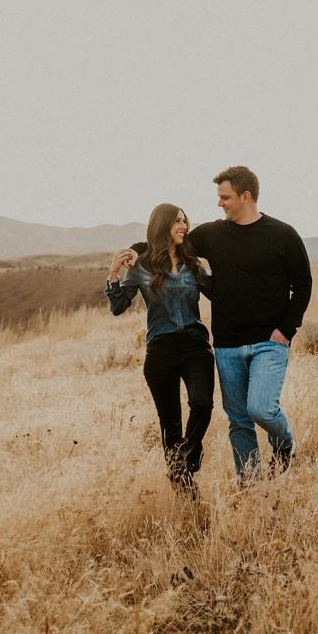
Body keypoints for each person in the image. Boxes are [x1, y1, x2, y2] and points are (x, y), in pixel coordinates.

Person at [120, 166, 312, 482]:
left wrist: (286, 329)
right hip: (226, 344)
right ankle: (251, 486)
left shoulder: (283, 235)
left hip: (269, 341)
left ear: (245, 196)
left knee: (261, 410)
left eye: (225, 197)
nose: (219, 203)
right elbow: (169, 241)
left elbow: (303, 284)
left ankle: (283, 442)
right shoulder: (212, 234)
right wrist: (137, 250)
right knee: (238, 420)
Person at [105, 203, 214, 497]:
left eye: (184, 221)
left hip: (195, 347)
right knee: (170, 426)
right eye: (177, 221)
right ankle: (187, 494)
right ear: (162, 225)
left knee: (202, 405)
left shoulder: (193, 263)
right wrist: (114, 272)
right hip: (160, 352)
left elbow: (220, 294)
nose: (183, 226)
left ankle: (186, 459)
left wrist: (215, 272)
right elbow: (118, 307)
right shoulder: (141, 267)